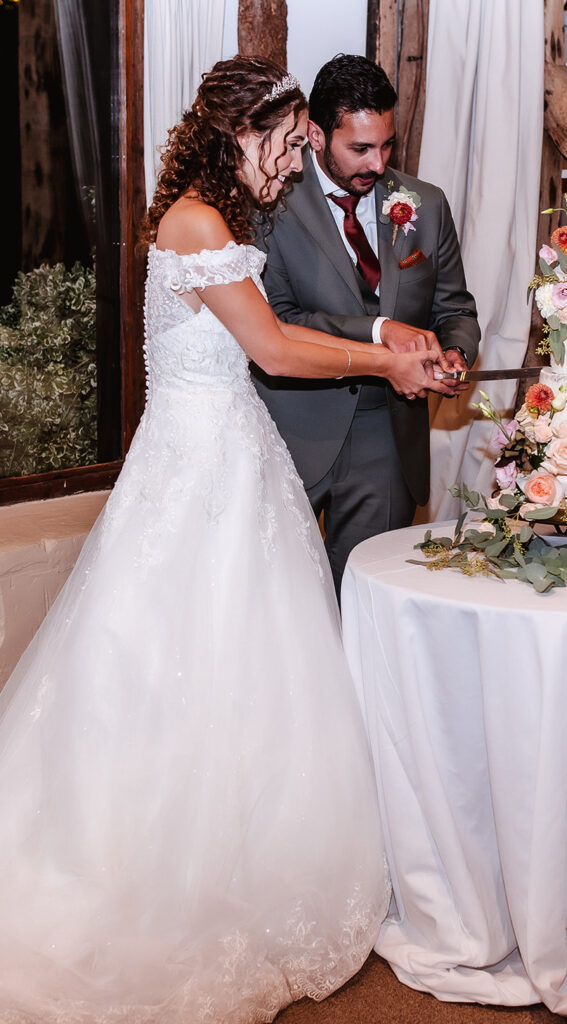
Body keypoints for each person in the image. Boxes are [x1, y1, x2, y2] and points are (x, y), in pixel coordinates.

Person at [0, 56, 454, 1023]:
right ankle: (166, 876)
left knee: (256, 673)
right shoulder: (198, 223)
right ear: (238, 135)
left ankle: (253, 857)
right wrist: (386, 358)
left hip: (231, 460)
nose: (294, 165)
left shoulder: (218, 216)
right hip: (196, 472)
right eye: (288, 145)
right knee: (185, 667)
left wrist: (388, 350)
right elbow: (278, 349)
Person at [253, 54, 480, 595]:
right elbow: (279, 319)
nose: (378, 164)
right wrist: (381, 334)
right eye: (359, 148)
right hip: (292, 425)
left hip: (388, 431)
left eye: (386, 145)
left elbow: (456, 310)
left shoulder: (425, 203)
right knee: (282, 602)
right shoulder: (270, 203)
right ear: (315, 134)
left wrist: (454, 355)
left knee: (365, 600)